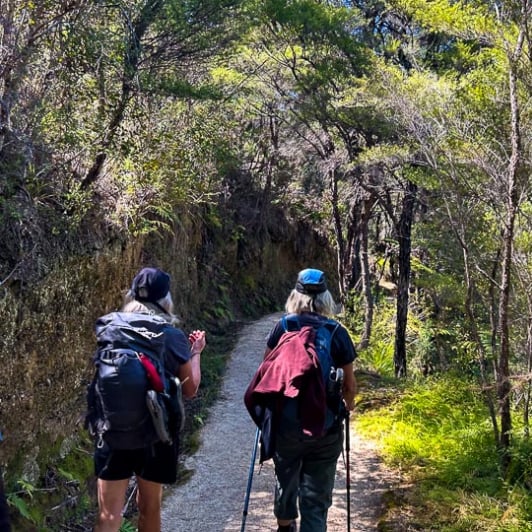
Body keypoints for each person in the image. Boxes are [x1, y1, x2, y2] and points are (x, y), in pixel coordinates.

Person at [94, 267, 205, 532]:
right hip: (156, 433)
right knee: (149, 508)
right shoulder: (170, 335)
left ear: (131, 295)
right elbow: (190, 389)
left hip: (112, 428)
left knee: (109, 514)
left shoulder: (109, 326)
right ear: (166, 299)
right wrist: (196, 352)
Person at [256, 268, 357, 532]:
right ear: (326, 298)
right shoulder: (337, 333)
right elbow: (349, 386)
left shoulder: (284, 326)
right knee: (315, 500)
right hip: (324, 429)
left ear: (295, 296)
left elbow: (266, 371)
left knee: (285, 482)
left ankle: (285, 525)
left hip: (285, 427)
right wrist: (347, 407)